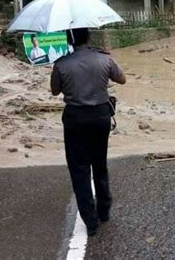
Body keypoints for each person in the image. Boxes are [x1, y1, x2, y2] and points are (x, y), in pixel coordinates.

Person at [50, 28, 126, 236]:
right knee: (99, 163)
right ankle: (104, 211)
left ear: (68, 40)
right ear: (89, 37)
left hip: (75, 119)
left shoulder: (61, 63)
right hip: (100, 117)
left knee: (79, 169)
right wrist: (108, 58)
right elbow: (122, 79)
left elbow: (55, 90)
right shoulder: (104, 58)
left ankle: (90, 223)